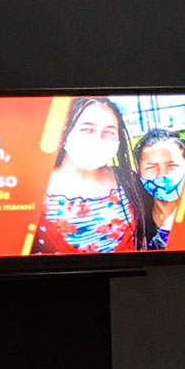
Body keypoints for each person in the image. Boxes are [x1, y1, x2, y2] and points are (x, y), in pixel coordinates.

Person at [31, 97, 150, 253]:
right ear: (64, 132)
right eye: (87, 129)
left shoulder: (128, 180)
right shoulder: (35, 189)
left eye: (109, 131)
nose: (98, 139)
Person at [133, 129, 185, 249]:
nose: (161, 174)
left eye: (172, 165)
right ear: (139, 171)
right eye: (151, 167)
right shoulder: (135, 222)